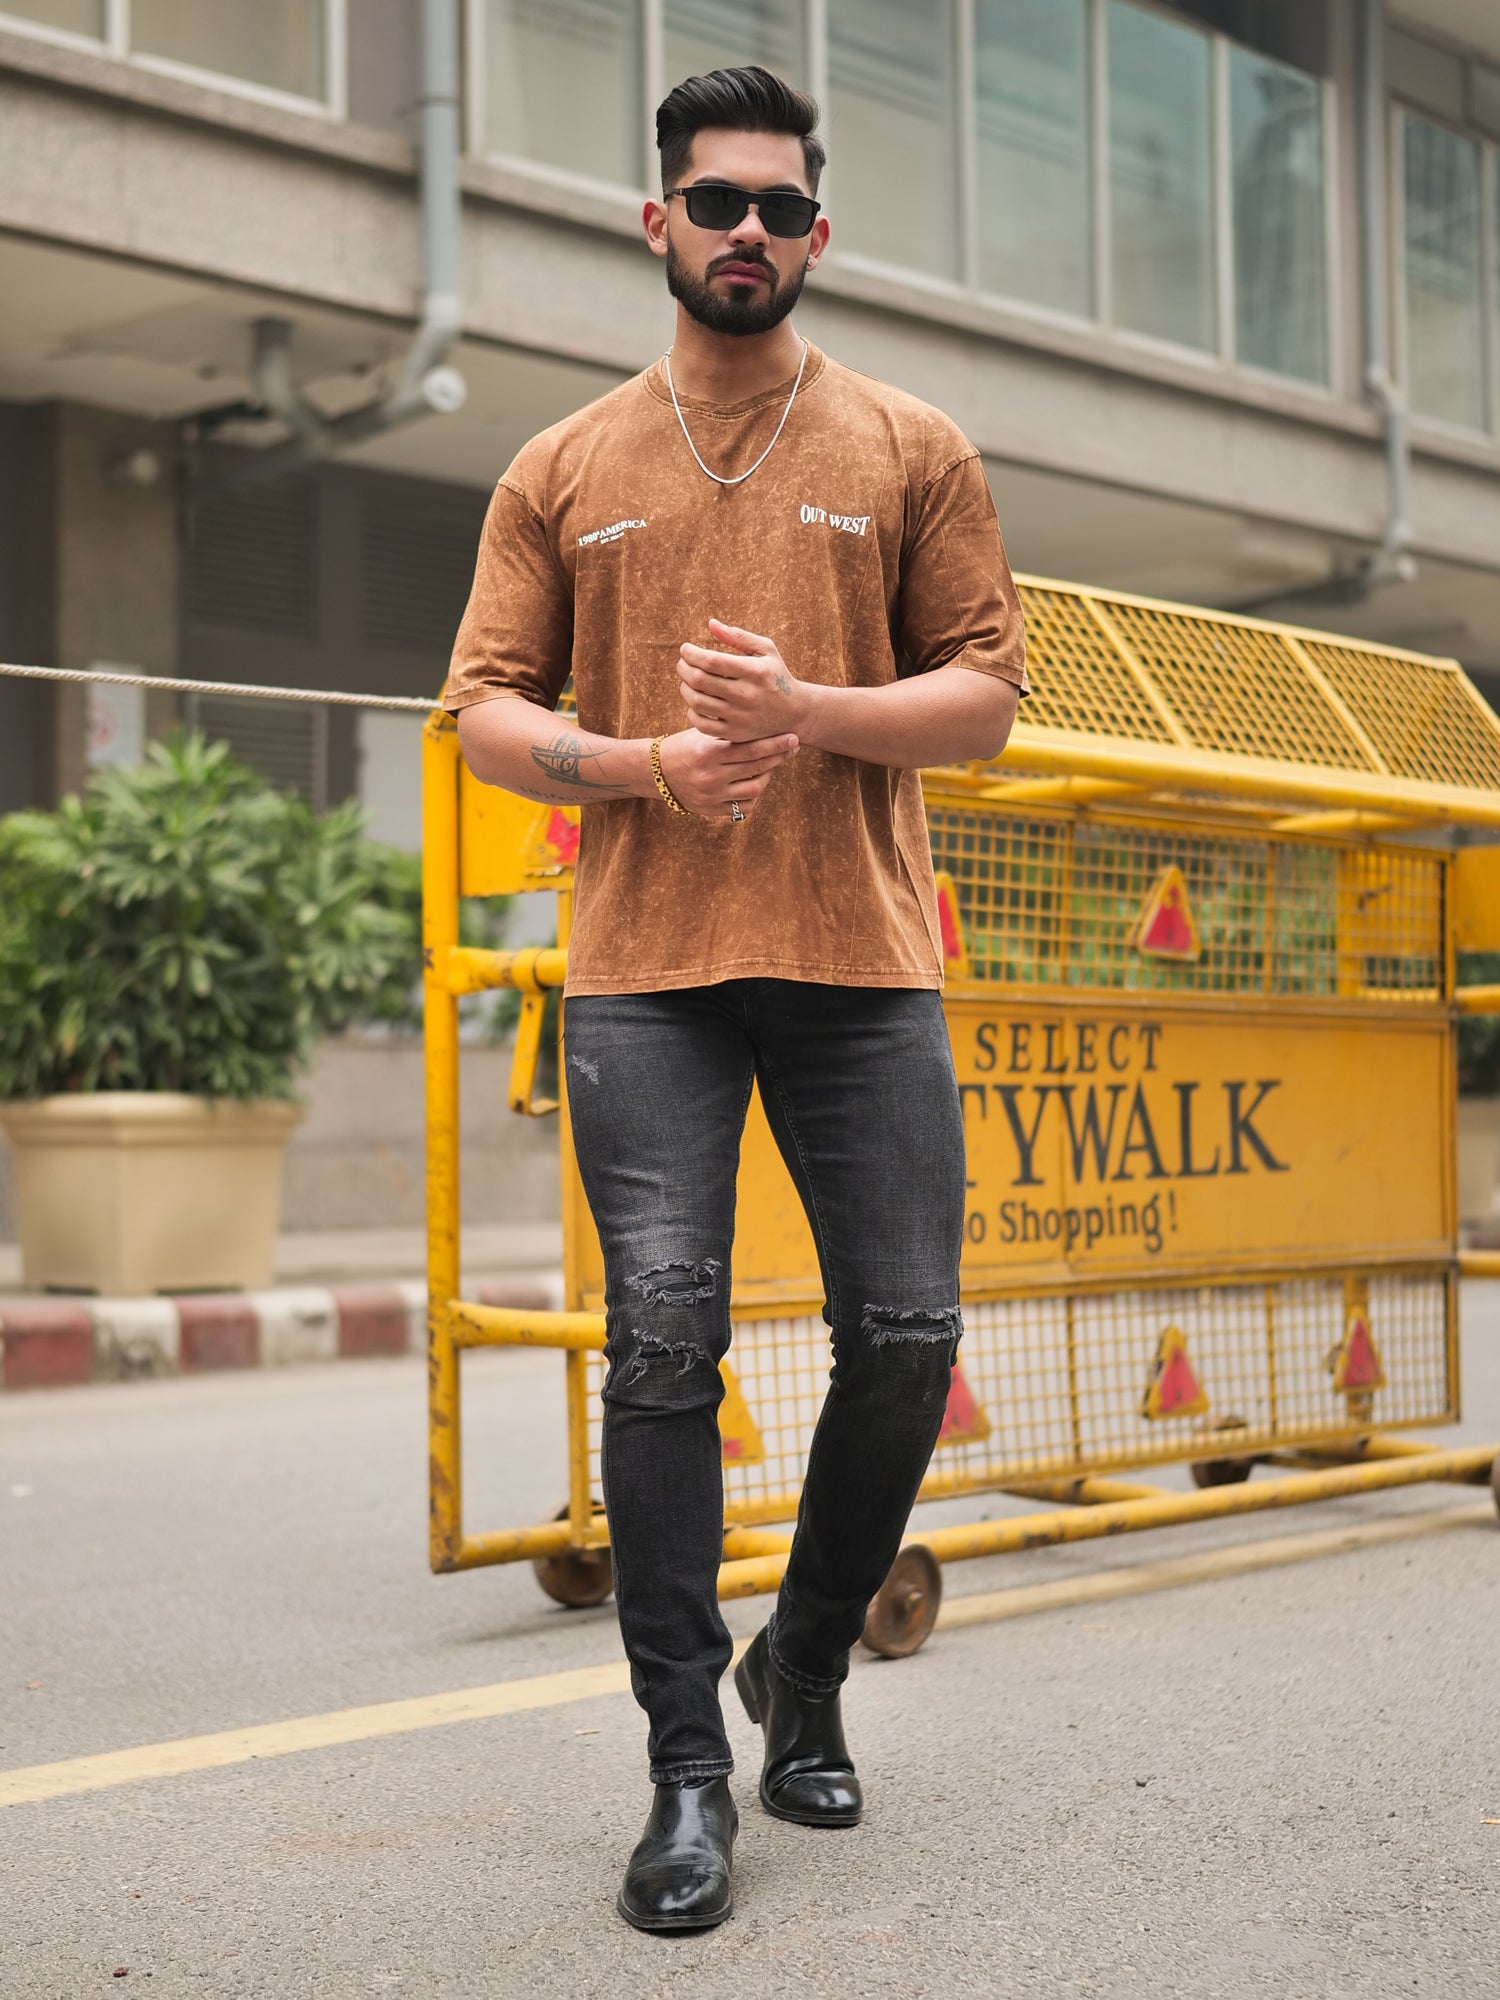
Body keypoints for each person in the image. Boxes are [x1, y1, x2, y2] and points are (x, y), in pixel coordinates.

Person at [444, 64, 1027, 1932]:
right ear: (658, 224)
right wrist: (644, 770)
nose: (748, 233)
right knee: (668, 1337)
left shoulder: (909, 443)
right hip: (647, 978)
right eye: (718, 203)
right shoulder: (563, 467)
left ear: (820, 234)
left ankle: (811, 1674)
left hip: (863, 963)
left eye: (780, 207)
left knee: (911, 1337)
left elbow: (987, 697)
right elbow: (481, 714)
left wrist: (808, 718)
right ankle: (688, 1769)